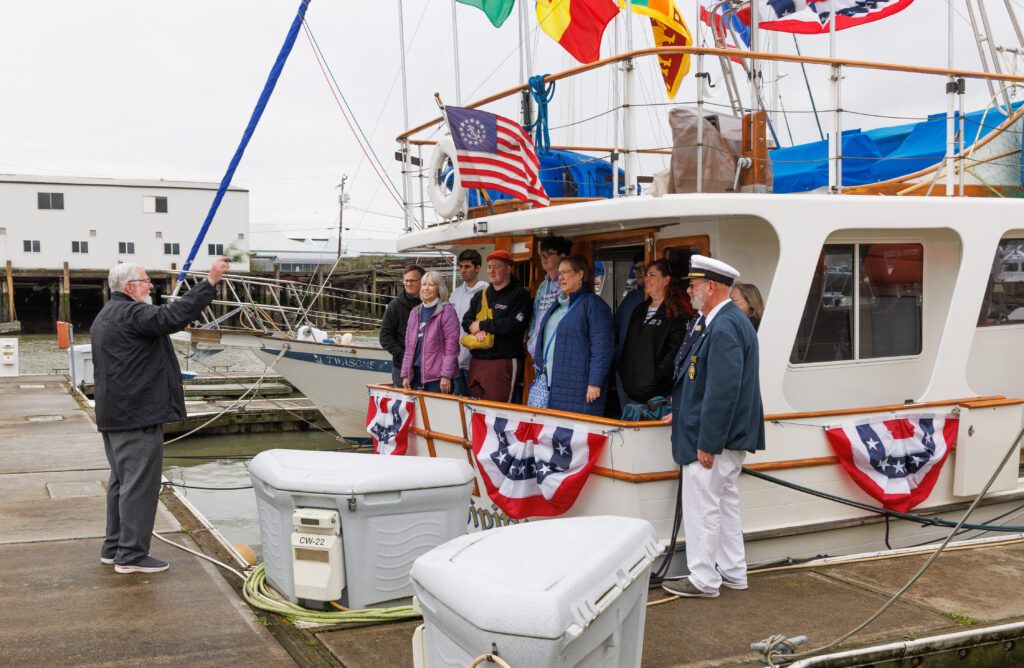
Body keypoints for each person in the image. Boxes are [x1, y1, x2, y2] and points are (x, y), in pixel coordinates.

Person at [91, 257, 229, 574]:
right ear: (130, 287)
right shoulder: (132, 312)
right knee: (139, 485)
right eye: (145, 280)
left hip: (115, 416)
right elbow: (172, 317)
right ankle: (131, 556)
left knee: (122, 483)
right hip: (135, 417)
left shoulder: (105, 315)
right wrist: (209, 282)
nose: (151, 285)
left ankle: (114, 548)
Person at [661, 255, 765, 599]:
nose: (689, 290)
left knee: (703, 505)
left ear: (711, 286)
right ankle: (734, 571)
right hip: (717, 435)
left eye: (694, 284)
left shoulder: (723, 326)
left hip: (712, 439)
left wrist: (708, 442)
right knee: (724, 503)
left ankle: (704, 579)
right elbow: (706, 381)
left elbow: (723, 390)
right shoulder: (723, 321)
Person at [533, 255, 614, 416]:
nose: (560, 277)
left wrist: (595, 382)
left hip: (580, 388)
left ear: (580, 274)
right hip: (552, 385)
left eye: (565, 272)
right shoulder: (557, 304)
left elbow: (602, 348)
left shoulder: (593, 305)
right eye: (559, 273)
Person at [618, 259, 687, 412]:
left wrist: (655, 379)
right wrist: (624, 372)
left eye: (652, 275)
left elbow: (675, 353)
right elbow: (628, 345)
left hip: (657, 399)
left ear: (666, 280)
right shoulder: (639, 310)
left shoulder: (675, 314)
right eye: (646, 275)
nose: (647, 279)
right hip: (630, 393)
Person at [462, 250, 531, 402]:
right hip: (477, 361)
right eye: (489, 267)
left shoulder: (520, 295)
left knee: (498, 411)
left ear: (508, 269)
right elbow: (466, 321)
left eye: (497, 267)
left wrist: (483, 325)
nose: (491, 271)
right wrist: (476, 330)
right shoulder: (481, 295)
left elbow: (514, 324)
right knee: (475, 409)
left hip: (502, 363)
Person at [401, 271, 460, 393]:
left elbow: (452, 347)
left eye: (431, 285)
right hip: (415, 376)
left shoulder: (446, 311)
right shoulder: (414, 312)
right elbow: (408, 347)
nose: (426, 288)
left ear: (439, 288)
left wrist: (446, 375)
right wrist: (405, 374)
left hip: (437, 379)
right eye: (424, 284)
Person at [527, 236, 572, 359]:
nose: (543, 258)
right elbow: (536, 316)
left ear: (562, 256)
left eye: (548, 254)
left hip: (559, 351)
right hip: (539, 352)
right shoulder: (542, 286)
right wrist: (533, 340)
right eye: (541, 254)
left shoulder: (568, 284)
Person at [449, 249, 487, 395]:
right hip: (456, 362)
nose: (462, 270)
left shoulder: (486, 291)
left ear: (477, 268)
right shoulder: (456, 293)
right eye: (461, 266)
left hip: (476, 361)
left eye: (467, 267)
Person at [380, 265, 424, 386]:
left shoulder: (430, 304)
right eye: (406, 280)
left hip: (427, 368)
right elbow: (385, 337)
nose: (408, 284)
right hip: (401, 368)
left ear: (422, 281)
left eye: (412, 280)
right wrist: (404, 356)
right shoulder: (395, 305)